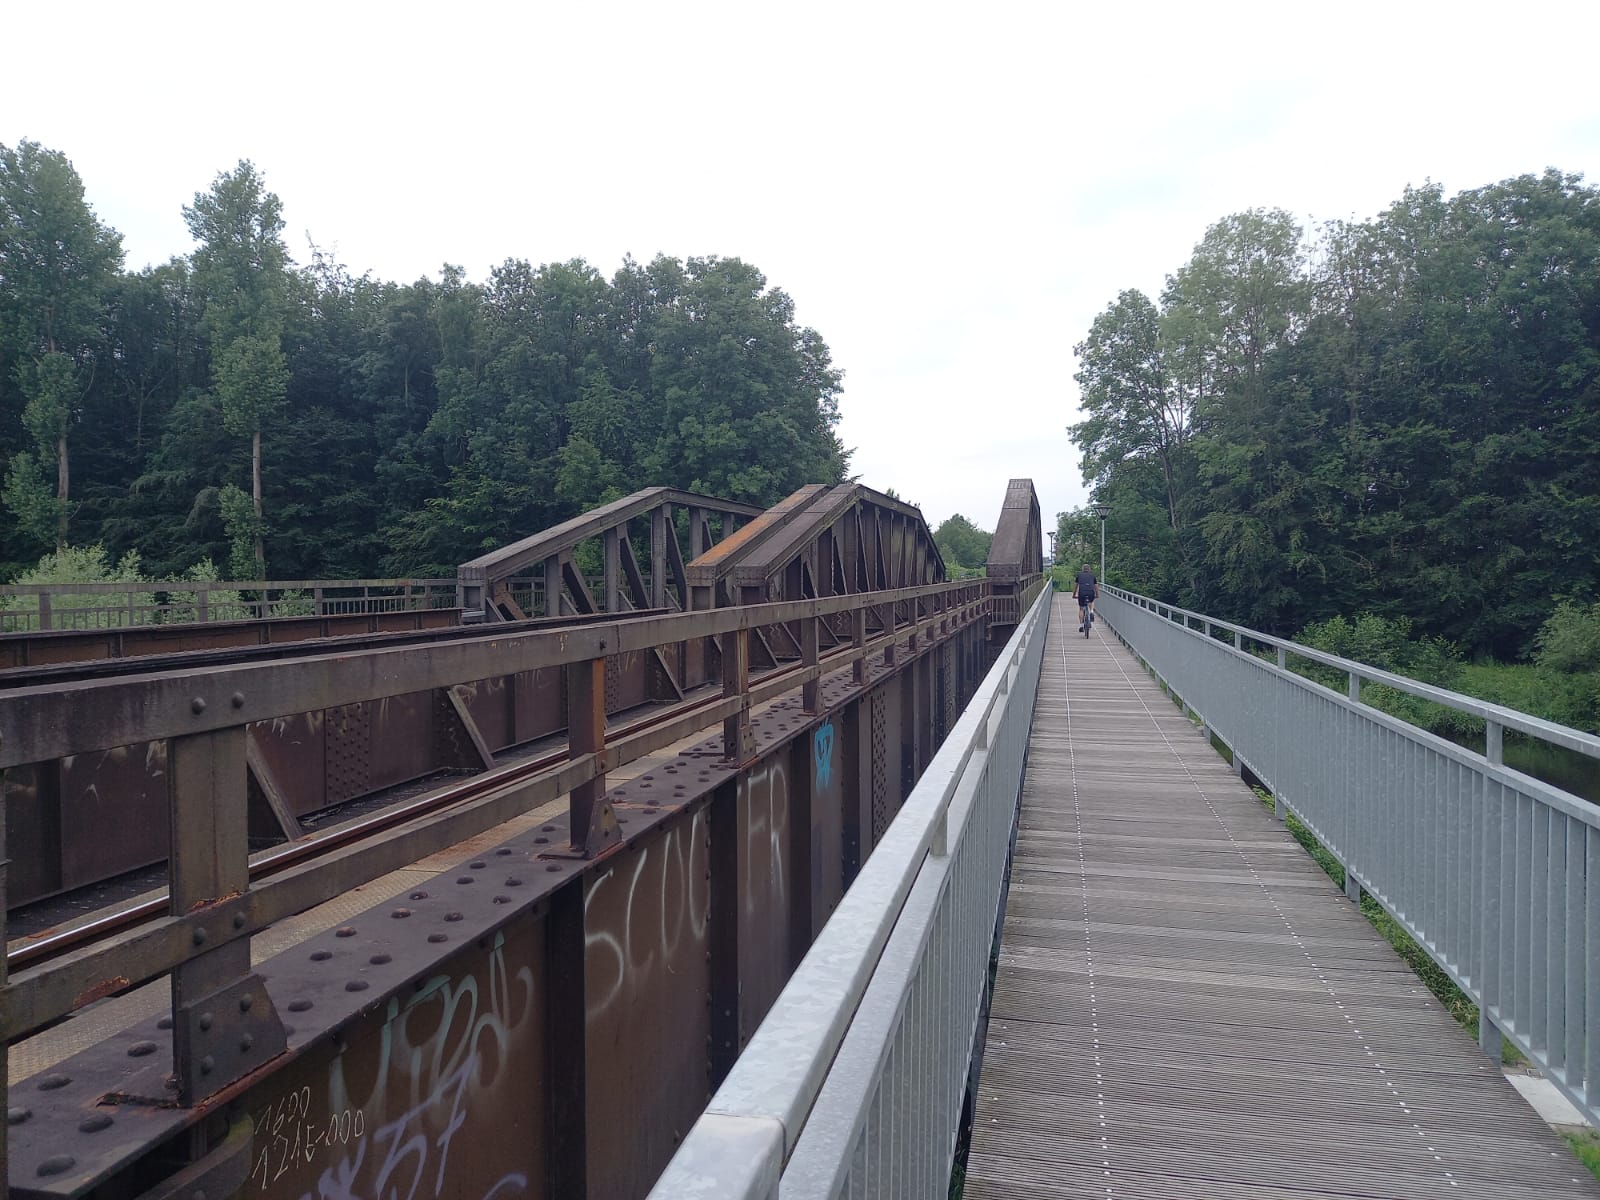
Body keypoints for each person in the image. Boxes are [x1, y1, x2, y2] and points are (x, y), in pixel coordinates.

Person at [1073, 564, 1097, 634]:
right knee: (1091, 601)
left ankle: (1081, 626)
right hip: (1091, 593)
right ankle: (1091, 611)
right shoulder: (1093, 575)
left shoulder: (1079, 575)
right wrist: (1097, 595)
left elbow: (1076, 586)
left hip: (1082, 593)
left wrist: (1074, 595)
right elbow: (1096, 586)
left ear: (1082, 569)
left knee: (1081, 608)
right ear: (1089, 569)